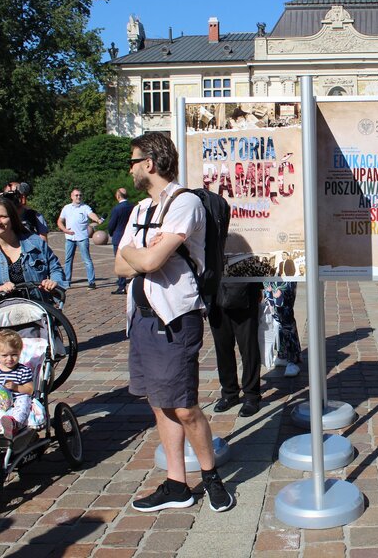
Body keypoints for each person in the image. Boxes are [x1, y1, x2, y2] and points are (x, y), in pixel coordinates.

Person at [115, 132, 234, 513]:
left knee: (184, 406)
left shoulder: (185, 204)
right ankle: (176, 484)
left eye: (133, 161)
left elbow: (147, 263)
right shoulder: (138, 210)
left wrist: (137, 252)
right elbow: (119, 265)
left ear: (149, 163)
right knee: (160, 403)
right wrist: (140, 254)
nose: (130, 168)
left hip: (175, 320)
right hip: (142, 319)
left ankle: (211, 477)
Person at [0, 197, 65, 303]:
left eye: (2, 216)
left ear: (12, 218)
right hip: (4, 311)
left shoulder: (35, 243)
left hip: (38, 307)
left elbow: (55, 269)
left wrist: (53, 282)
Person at [209, 283, 263, 416]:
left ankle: (252, 395)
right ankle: (229, 393)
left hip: (245, 289)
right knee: (222, 346)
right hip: (215, 290)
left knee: (248, 347)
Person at [57, 188, 103, 289]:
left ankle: (91, 282)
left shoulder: (85, 207)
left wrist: (97, 219)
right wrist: (64, 230)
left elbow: (91, 214)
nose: (78, 197)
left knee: (87, 260)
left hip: (82, 238)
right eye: (76, 195)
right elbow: (59, 221)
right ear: (71, 196)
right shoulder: (66, 208)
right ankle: (67, 282)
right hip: (69, 238)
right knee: (68, 260)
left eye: (80, 195)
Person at [263, 281, 302, 377]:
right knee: (272, 312)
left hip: (285, 273)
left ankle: (292, 359)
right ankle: (282, 354)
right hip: (270, 272)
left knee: (285, 313)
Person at [107, 188, 135, 295]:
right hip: (131, 237)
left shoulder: (117, 209)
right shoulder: (133, 206)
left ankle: (122, 285)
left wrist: (111, 233)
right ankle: (133, 282)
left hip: (119, 237)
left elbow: (111, 225)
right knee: (132, 261)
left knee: (120, 261)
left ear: (118, 196)